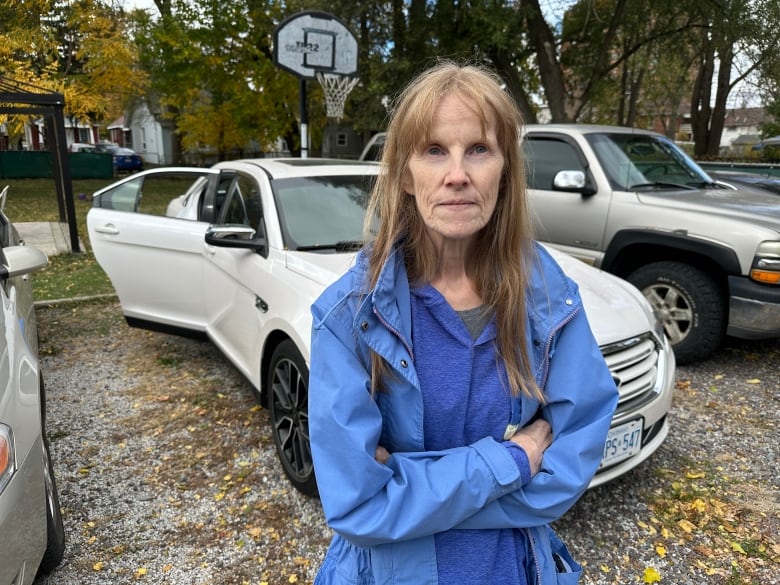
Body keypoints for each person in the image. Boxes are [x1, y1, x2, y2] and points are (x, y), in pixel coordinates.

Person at [308, 61, 619, 585]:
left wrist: (407, 487)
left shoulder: (546, 297)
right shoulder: (349, 317)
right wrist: (514, 462)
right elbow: (358, 506)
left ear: (505, 168)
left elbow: (569, 464)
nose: (458, 174)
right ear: (405, 174)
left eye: (478, 149)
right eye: (434, 150)